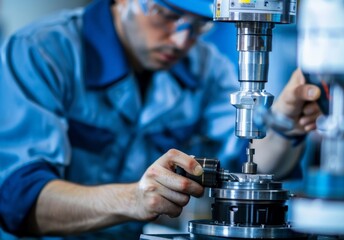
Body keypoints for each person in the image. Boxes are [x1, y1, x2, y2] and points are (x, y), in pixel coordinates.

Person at [0, 0, 321, 239]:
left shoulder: (204, 67)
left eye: (199, 25)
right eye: (167, 15)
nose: (183, 40)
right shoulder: (41, 53)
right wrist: (132, 199)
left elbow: (246, 164)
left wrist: (283, 124)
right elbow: (20, 200)